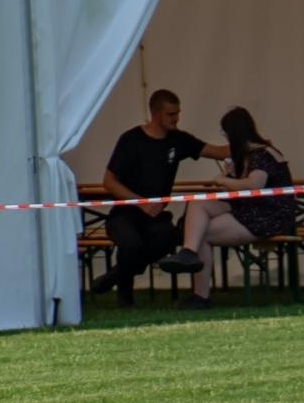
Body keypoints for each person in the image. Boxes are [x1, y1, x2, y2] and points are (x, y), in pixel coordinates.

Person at [94, 89, 229, 306]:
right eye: (171, 114)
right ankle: (124, 297)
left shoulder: (179, 140)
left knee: (167, 238)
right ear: (156, 114)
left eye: (178, 113)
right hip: (126, 213)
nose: (176, 118)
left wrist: (250, 145)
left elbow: (218, 152)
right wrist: (142, 202)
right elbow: (109, 182)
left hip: (157, 216)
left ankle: (114, 276)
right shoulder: (130, 140)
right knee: (131, 244)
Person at [157, 107, 299, 308]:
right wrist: (230, 174)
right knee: (198, 203)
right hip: (250, 209)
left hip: (267, 216)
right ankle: (188, 252)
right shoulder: (251, 153)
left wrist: (223, 180)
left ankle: (201, 296)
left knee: (202, 233)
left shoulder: (262, 153)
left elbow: (253, 185)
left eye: (226, 134)